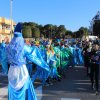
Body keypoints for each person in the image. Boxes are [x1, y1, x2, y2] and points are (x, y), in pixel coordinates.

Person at [6, 23, 50, 100]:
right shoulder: (23, 47)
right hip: (22, 70)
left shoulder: (8, 47)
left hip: (12, 70)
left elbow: (4, 58)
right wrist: (44, 65)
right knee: (25, 90)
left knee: (13, 90)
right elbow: (34, 55)